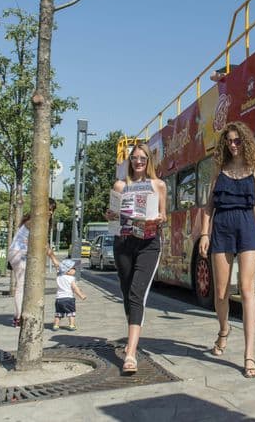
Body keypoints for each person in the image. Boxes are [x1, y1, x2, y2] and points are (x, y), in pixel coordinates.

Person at [199, 121, 255, 378]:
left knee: (247, 289)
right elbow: (208, 207)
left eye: (237, 141)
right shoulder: (220, 170)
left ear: (245, 142)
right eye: (229, 141)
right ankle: (224, 330)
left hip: (247, 227)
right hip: (222, 227)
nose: (233, 145)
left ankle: (249, 355)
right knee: (222, 292)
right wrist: (205, 233)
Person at [106, 142, 166, 374]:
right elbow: (112, 220)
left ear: (149, 161)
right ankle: (135, 325)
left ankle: (130, 353)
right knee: (126, 291)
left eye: (143, 158)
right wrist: (111, 215)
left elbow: (164, 215)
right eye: (134, 158)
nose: (138, 161)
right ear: (130, 161)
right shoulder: (120, 186)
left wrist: (159, 219)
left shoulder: (158, 185)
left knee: (136, 294)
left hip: (149, 244)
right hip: (123, 243)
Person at [8, 198, 58, 327]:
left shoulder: (37, 221)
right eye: (48, 209)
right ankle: (19, 317)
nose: (50, 212)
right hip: (19, 253)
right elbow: (43, 244)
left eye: (52, 210)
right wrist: (54, 260)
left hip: (19, 253)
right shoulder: (33, 222)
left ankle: (21, 315)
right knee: (22, 284)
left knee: (25, 285)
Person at [51, 258, 87, 331]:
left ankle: (56, 325)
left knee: (58, 313)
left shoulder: (59, 277)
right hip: (69, 299)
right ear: (68, 270)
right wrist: (81, 295)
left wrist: (51, 256)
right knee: (71, 313)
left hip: (59, 299)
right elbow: (75, 288)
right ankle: (72, 325)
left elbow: (57, 266)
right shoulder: (71, 278)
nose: (75, 269)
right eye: (73, 268)